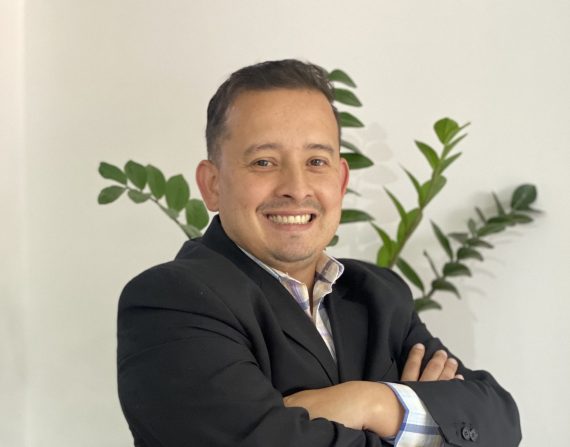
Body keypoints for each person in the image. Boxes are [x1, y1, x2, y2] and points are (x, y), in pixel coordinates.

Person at [117, 59, 521, 446]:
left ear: (341, 181)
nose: (296, 187)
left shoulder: (378, 294)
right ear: (213, 185)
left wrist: (371, 402)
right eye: (264, 162)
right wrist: (417, 425)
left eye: (316, 161)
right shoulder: (170, 301)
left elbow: (499, 422)